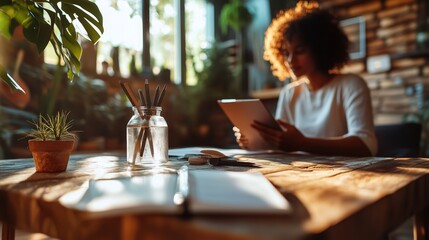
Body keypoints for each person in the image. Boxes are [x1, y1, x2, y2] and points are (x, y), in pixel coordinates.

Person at [235, 2, 377, 157]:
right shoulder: (289, 93)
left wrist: (302, 143)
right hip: (301, 175)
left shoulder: (351, 85)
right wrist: (252, 141)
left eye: (300, 51)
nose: (290, 60)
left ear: (320, 48)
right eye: (286, 52)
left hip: (345, 175)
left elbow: (365, 145)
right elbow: (280, 146)